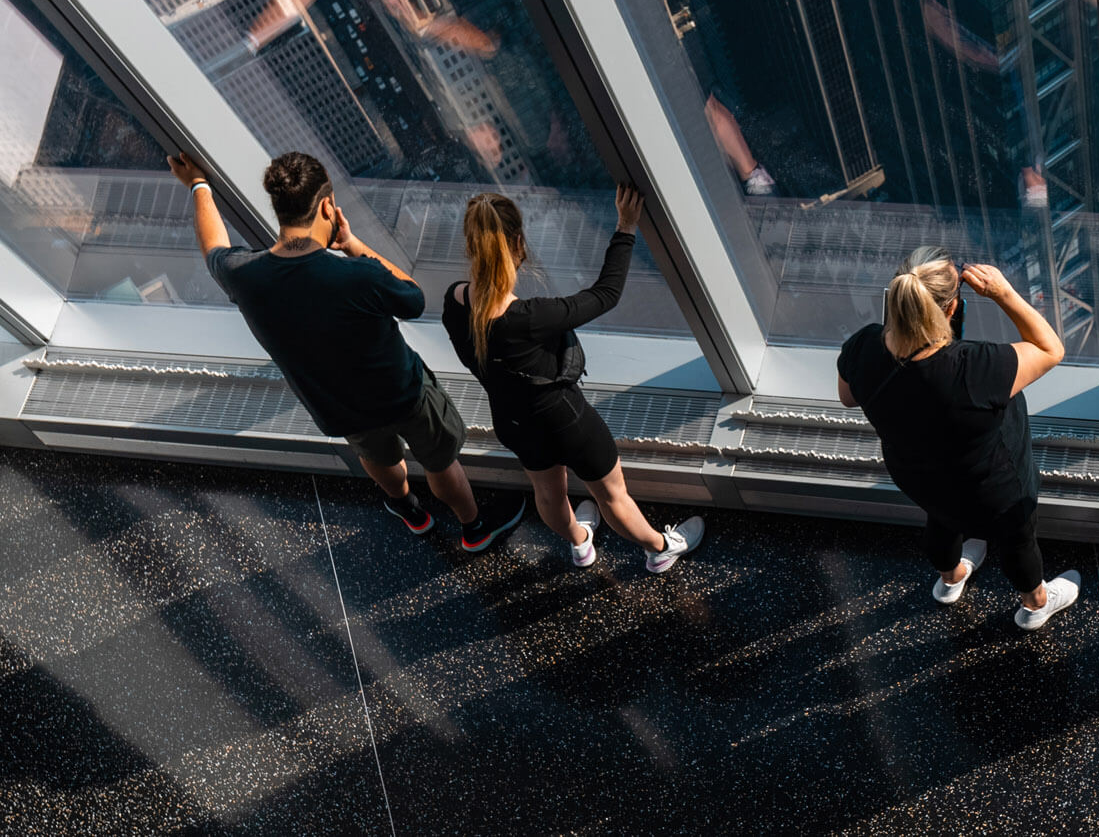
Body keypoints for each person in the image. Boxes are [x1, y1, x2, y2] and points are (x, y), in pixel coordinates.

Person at [168, 151, 524, 551]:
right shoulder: (356, 275)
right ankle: (473, 527)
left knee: (379, 459)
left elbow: (213, 247)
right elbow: (413, 298)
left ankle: (408, 509)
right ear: (327, 206)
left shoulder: (244, 275)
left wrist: (198, 184)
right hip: (402, 393)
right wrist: (352, 244)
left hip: (339, 408)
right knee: (440, 460)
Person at [440, 185, 705, 573]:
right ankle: (660, 548)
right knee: (612, 496)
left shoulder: (454, 302)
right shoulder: (530, 316)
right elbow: (607, 293)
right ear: (518, 243)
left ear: (470, 247)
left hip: (512, 421)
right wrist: (626, 227)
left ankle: (581, 544)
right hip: (566, 421)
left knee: (548, 495)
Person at [837, 246, 1080, 629]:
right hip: (993, 488)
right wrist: (1003, 293)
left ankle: (950, 580)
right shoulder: (975, 367)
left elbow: (848, 397)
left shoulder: (864, 345)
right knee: (1018, 539)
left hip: (917, 475)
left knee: (940, 519)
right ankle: (1035, 604)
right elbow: (1051, 349)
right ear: (950, 310)